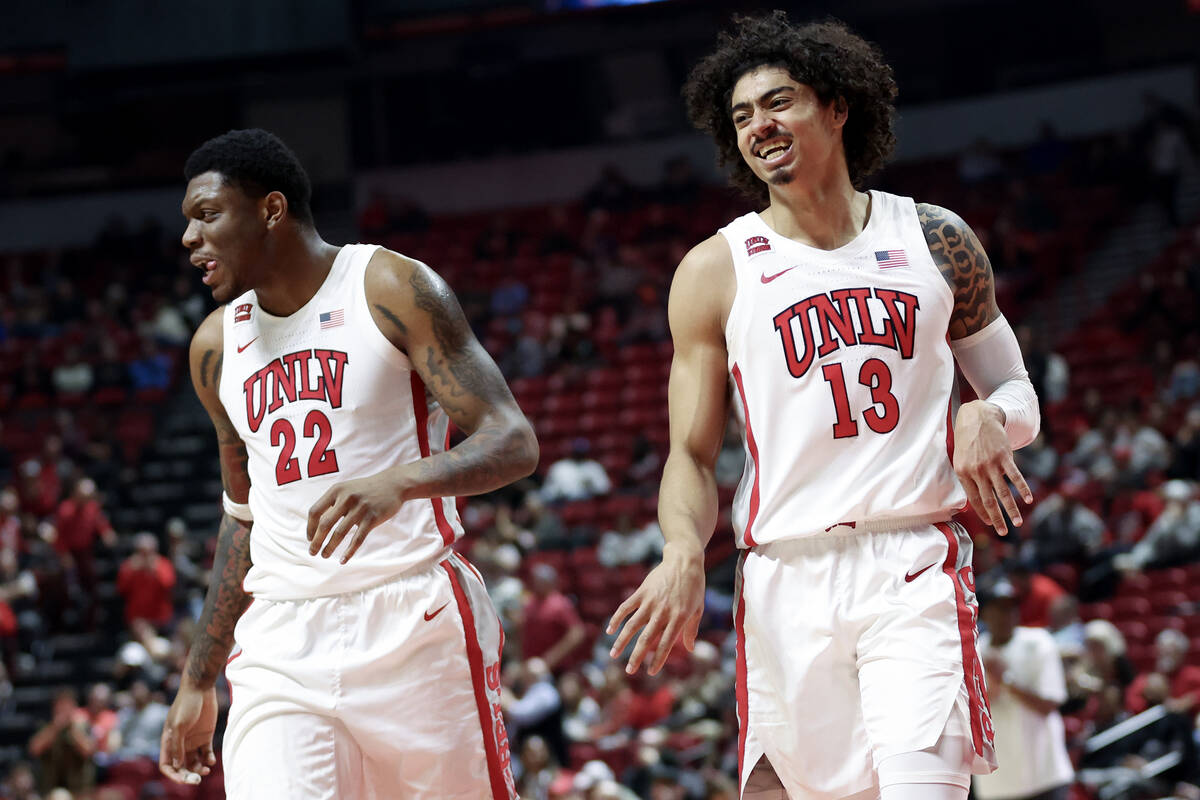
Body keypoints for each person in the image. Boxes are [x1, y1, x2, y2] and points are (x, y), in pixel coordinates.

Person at [608, 13, 1041, 800]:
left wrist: (988, 417)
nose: (759, 127)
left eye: (779, 103)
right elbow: (692, 456)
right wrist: (679, 550)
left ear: (839, 108)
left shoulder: (936, 239)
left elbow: (1018, 394)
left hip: (913, 560)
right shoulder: (716, 269)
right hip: (784, 579)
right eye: (741, 116)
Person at [159, 129, 538, 799]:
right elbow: (242, 520)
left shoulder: (387, 285)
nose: (189, 237)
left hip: (411, 619)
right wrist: (197, 679)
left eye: (207, 215)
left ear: (271, 210)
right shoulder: (215, 348)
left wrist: (404, 480)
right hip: (281, 638)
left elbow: (511, 439)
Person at [973, 581, 1073, 800]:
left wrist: (1006, 680)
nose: (1007, 614)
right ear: (984, 613)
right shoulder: (974, 651)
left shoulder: (1039, 642)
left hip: (1045, 775)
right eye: (999, 608)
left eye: (1011, 607)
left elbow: (1049, 704)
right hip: (997, 785)